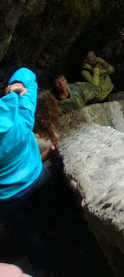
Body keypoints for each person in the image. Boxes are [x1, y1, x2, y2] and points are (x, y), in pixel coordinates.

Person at [0, 68, 52, 268]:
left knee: (29, 234)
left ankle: (44, 267)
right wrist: (17, 85)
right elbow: (27, 75)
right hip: (36, 176)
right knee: (49, 212)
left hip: (8, 197)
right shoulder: (21, 119)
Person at [34, 91, 60, 166]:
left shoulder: (51, 123)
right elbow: (29, 165)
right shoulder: (29, 133)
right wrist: (49, 152)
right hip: (45, 170)